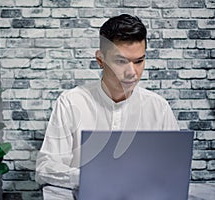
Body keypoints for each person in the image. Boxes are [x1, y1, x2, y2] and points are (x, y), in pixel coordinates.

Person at [35, 14, 179, 199]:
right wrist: (90, 178)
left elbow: (174, 170)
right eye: (121, 61)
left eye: (139, 61)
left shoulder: (158, 108)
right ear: (100, 59)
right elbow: (45, 168)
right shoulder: (71, 102)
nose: (132, 73)